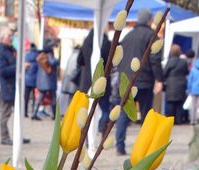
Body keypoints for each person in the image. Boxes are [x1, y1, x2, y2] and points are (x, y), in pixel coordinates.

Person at [114, 9, 163, 155]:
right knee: (146, 115)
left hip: (128, 81)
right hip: (144, 81)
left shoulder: (128, 36)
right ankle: (144, 147)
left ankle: (120, 146)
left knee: (124, 114)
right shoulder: (151, 36)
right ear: (149, 21)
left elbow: (120, 58)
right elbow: (155, 60)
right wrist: (159, 79)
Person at [0, 27, 30, 145]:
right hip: (7, 86)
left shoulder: (11, 49)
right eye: (9, 36)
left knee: (18, 113)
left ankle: (18, 135)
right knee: (5, 114)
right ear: (3, 37)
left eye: (12, 35)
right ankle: (4, 137)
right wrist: (20, 67)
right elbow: (3, 70)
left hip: (16, 86)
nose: (11, 38)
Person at [76, 29, 112, 134]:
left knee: (87, 109)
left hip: (86, 81)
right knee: (104, 108)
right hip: (102, 81)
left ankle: (86, 136)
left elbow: (79, 60)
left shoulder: (86, 42)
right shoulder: (106, 43)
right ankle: (103, 127)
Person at [32, 40, 59, 120]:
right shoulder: (49, 55)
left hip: (41, 80)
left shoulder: (41, 55)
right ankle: (54, 115)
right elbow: (53, 62)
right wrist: (58, 59)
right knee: (53, 97)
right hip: (49, 80)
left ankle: (34, 113)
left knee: (40, 97)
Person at [163, 44, 188, 125]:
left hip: (171, 85)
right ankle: (179, 120)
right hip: (181, 84)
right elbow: (186, 72)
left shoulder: (169, 61)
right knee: (179, 104)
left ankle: (170, 120)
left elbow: (164, 73)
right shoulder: (184, 62)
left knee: (170, 103)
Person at [60, 45, 80, 115]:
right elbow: (75, 68)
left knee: (70, 96)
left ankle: (68, 112)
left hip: (67, 78)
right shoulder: (77, 56)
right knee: (73, 96)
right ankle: (70, 112)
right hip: (72, 79)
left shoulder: (71, 55)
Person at [24, 43, 39, 118]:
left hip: (27, 79)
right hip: (35, 80)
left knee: (26, 97)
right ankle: (33, 112)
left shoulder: (26, 56)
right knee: (34, 97)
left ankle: (25, 112)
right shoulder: (37, 56)